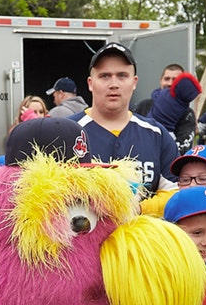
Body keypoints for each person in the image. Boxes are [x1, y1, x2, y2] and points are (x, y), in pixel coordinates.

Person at [71, 42, 179, 199]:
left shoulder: (156, 134)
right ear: (90, 83)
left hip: (145, 221)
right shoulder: (67, 132)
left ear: (134, 82)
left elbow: (174, 191)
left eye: (122, 76)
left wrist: (140, 210)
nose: (114, 84)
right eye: (104, 76)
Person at [134, 63, 199, 153]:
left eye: (175, 80)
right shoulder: (144, 105)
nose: (170, 83)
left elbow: (184, 147)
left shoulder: (187, 113)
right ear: (161, 81)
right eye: (166, 79)